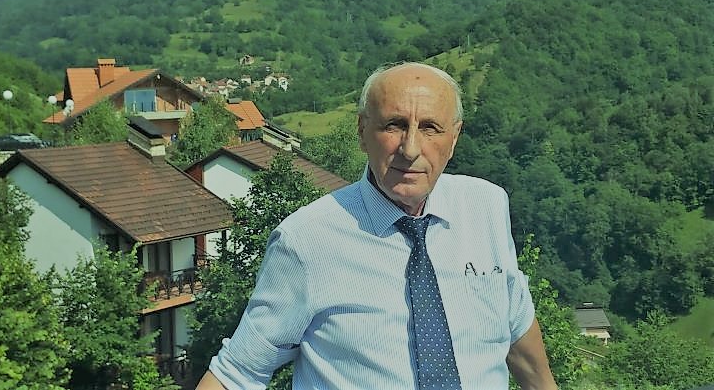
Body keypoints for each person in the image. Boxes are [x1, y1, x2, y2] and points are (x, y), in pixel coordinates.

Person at [196, 62, 557, 390]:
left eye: (430, 128)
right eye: (394, 125)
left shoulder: (485, 206)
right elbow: (236, 374)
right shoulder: (306, 240)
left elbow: (516, 324)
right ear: (362, 131)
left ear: (454, 137)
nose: (410, 148)